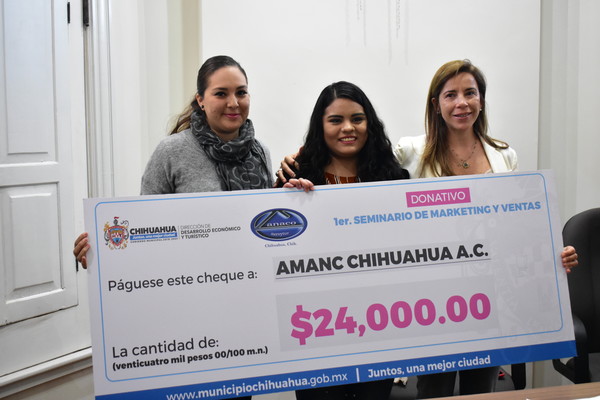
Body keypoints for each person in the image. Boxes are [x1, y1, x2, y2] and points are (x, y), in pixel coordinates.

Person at [278, 60, 578, 397]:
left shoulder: (504, 155)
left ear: (481, 99)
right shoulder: (412, 152)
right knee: (434, 389)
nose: (461, 103)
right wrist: (296, 163)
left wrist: (550, 254)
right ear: (436, 104)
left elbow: (518, 225)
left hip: (489, 295)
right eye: (451, 95)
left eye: (470, 93)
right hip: (431, 301)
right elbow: (354, 156)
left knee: (483, 388)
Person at [74, 55, 273, 400]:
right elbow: (143, 230)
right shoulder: (172, 151)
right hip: (187, 314)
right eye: (221, 93)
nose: (233, 103)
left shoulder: (261, 153)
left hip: (244, 313)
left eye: (241, 92)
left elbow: (265, 229)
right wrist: (102, 252)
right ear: (201, 99)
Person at [277, 81, 409, 400]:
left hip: (379, 328)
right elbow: (277, 254)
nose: (348, 128)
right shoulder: (296, 178)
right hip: (314, 331)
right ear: (320, 126)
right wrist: (286, 202)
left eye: (357, 119)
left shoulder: (393, 178)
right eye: (336, 120)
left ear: (370, 124)